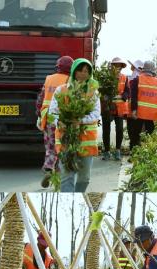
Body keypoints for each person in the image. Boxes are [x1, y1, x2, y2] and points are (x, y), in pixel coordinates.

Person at [48, 58, 101, 192]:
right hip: (66, 140)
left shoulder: (93, 93)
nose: (83, 74)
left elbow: (96, 114)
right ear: (74, 72)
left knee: (84, 178)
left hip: (86, 143)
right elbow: (52, 112)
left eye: (87, 71)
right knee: (67, 177)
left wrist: (80, 121)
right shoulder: (61, 90)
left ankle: (79, 195)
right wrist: (59, 121)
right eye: (80, 70)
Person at [36, 56, 73, 188]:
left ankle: (49, 168)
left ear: (58, 67)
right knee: (62, 145)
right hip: (63, 119)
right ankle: (56, 171)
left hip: (49, 118)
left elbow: (40, 99)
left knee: (50, 145)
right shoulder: (70, 80)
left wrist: (39, 116)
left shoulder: (49, 78)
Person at [129, 61, 157, 151]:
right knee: (149, 134)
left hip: (139, 112)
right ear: (153, 70)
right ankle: (147, 152)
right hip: (151, 114)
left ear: (143, 69)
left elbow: (133, 97)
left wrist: (133, 110)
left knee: (135, 134)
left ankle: (134, 152)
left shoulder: (137, 80)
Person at [101, 57, 130, 161]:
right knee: (106, 130)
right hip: (107, 108)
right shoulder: (105, 77)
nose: (117, 68)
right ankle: (106, 151)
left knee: (119, 129)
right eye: (115, 65)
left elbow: (127, 91)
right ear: (112, 66)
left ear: (122, 67)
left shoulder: (124, 78)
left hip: (120, 109)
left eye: (119, 66)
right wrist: (105, 97)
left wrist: (123, 97)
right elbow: (101, 91)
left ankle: (118, 151)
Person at [126, 60, 143, 156]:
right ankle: (134, 148)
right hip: (132, 108)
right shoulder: (135, 76)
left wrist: (133, 110)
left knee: (133, 130)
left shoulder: (135, 78)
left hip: (134, 108)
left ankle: (134, 149)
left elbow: (133, 96)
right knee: (134, 130)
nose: (131, 67)